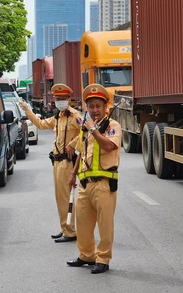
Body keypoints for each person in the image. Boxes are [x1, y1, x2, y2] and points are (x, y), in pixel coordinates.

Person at [66, 84, 122, 274]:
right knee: (82, 223)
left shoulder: (113, 126)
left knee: (105, 225)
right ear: (87, 107)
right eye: (91, 106)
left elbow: (108, 147)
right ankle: (86, 255)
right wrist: (73, 173)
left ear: (106, 106)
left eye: (98, 106)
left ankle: (103, 259)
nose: (94, 110)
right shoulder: (85, 128)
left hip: (104, 184)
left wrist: (94, 130)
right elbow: (81, 153)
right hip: (85, 184)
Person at [19, 84, 83, 243]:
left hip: (67, 162)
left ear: (69, 99)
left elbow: (87, 131)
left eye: (63, 98)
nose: (60, 101)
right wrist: (27, 110)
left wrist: (73, 144)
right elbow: (40, 124)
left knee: (65, 196)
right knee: (60, 197)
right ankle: (65, 227)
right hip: (57, 161)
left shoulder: (75, 116)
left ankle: (70, 231)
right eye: (57, 99)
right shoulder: (58, 116)